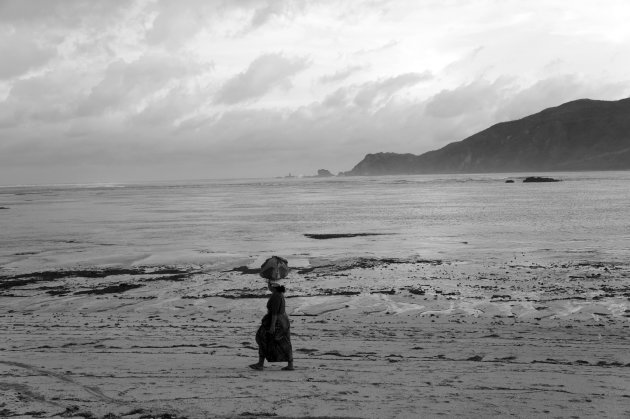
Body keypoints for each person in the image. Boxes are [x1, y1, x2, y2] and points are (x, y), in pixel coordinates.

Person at [249, 280, 294, 371]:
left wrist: (272, 325)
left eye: (269, 285)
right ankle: (290, 364)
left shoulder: (276, 296)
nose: (268, 287)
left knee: (262, 339)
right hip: (283, 321)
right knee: (284, 342)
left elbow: (274, 312)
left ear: (272, 287)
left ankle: (260, 364)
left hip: (277, 322)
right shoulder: (279, 294)